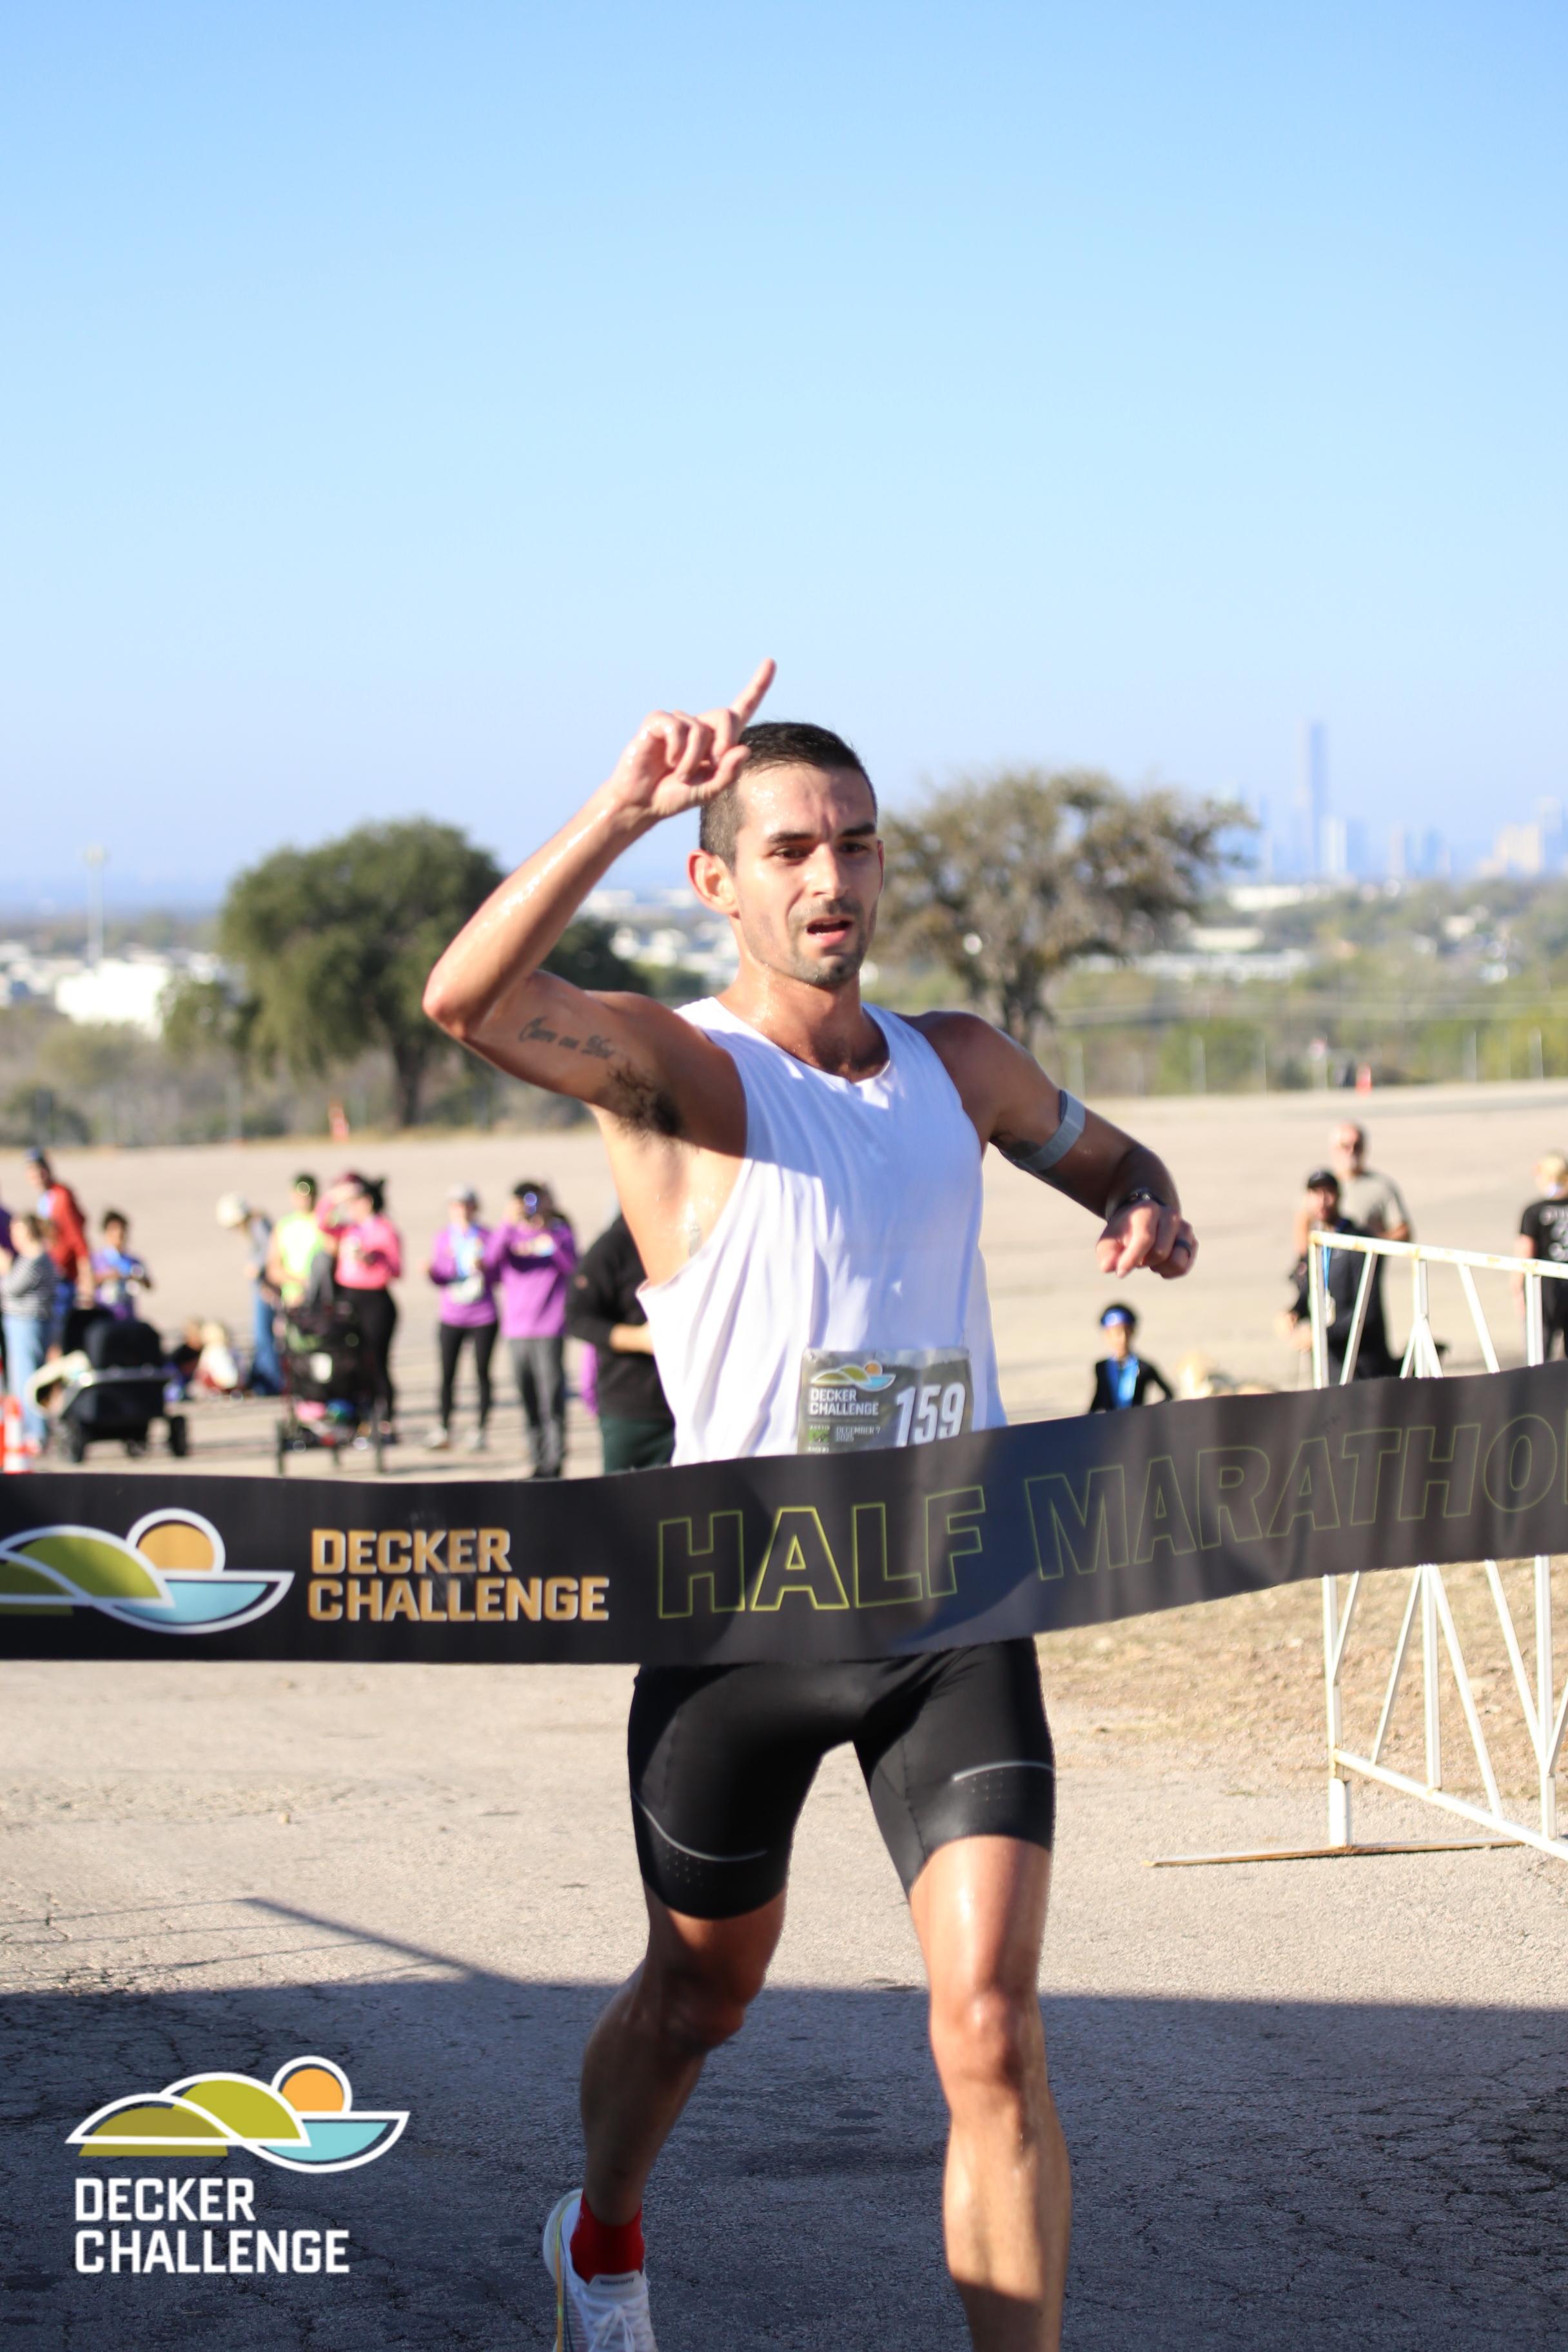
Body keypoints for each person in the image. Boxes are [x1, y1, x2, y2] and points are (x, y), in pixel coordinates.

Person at [424, 658, 1198, 2352]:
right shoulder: (680, 1076)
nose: (829, 877)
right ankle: (600, 2239)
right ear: (718, 879)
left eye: (853, 843)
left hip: (951, 1606)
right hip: (744, 1617)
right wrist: (618, 806)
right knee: (699, 1995)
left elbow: (1117, 1161)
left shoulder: (960, 1064)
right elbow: (468, 1002)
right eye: (786, 849)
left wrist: (1146, 1203)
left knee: (989, 2029)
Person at [565, 1213, 676, 1471]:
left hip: (692, 1406)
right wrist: (639, 1339)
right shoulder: (614, 1246)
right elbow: (577, 1317)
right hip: (633, 1410)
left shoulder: (692, 1233)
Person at [486, 1181, 576, 1477]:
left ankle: (555, 1461)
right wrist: (507, 1224)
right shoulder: (509, 1236)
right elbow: (489, 1264)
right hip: (517, 1330)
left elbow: (573, 1267)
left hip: (549, 1328)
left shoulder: (560, 1234)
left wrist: (548, 1235)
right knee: (528, 1399)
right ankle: (537, 1460)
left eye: (535, 1200)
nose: (530, 1208)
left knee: (552, 1396)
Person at [1284, 1167, 1398, 1381]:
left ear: (1339, 1196)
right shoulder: (1317, 1242)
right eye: (1316, 1194)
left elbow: (1367, 1313)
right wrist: (1293, 1313)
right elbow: (1309, 1293)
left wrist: (1320, 1335)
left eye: (1328, 1192)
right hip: (1330, 1363)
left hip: (1363, 1364)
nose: (1322, 1201)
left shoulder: (1358, 1241)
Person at [317, 1173, 402, 1436]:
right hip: (349, 1297)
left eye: (356, 1202)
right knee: (351, 1360)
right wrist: (333, 1198)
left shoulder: (384, 1229)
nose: (352, 1207)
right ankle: (358, 1413)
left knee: (376, 1359)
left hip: (375, 1299)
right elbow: (322, 1224)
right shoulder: (349, 1229)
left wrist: (371, 1260)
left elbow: (396, 1270)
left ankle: (385, 1415)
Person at [426, 1184, 498, 1451]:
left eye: (466, 1204)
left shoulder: (488, 1236)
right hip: (452, 1315)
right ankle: (444, 1426)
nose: (462, 1210)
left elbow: (499, 1274)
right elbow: (440, 1277)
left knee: (482, 1373)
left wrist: (485, 1267)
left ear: (475, 1207)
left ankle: (480, 1428)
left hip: (483, 1315)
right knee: (447, 1374)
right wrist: (432, 1271)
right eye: (456, 1205)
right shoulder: (444, 1238)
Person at [215, 1193, 282, 1395]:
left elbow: (271, 1252)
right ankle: (262, 1379)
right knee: (261, 1336)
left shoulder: (258, 1224)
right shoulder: (256, 1225)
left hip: (266, 1290)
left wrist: (257, 1268)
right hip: (262, 1288)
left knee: (264, 1336)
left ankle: (271, 1382)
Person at [25, 1150, 90, 1351]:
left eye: (41, 1170)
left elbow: (77, 1237)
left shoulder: (61, 1196)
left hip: (63, 1275)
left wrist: (86, 1275)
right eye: (32, 1171)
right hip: (51, 1273)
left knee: (59, 1334)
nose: (38, 1176)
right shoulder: (46, 1198)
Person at [1, 1213, 55, 1449]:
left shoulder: (35, 1258)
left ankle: (35, 1432)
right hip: (24, 1322)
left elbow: (11, 1288)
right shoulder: (30, 1257)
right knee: (23, 1377)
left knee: (27, 1378)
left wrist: (5, 1269)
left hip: (27, 1322)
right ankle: (28, 1430)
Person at [1513, 1151, 1568, 1357]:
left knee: (1540, 1352)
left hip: (1545, 1287)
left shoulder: (1535, 1211)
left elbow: (1524, 1252)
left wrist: (1517, 1290)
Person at [1087, 1302, 1173, 1410]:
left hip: (1137, 1420)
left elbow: (1168, 1395)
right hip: (1110, 1420)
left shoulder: (1144, 1367)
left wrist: (1148, 1412)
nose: (1123, 1339)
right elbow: (1098, 1399)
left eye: (1127, 1332)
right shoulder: (1101, 1367)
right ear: (1107, 1335)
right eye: (1117, 1333)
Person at [266, 1173, 330, 1315]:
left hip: (322, 1300)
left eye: (309, 1195)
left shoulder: (327, 1222)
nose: (305, 1200)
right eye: (300, 1196)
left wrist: (313, 1285)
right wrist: (301, 1282)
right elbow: (274, 1269)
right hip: (292, 1301)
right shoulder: (283, 1225)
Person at [92, 1210, 153, 1320]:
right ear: (105, 1233)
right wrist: (109, 1276)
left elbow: (149, 1285)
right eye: (114, 1229)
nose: (118, 1234)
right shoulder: (96, 1259)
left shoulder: (133, 1261)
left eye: (122, 1230)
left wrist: (138, 1278)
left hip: (128, 1315)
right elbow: (86, 1283)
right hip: (104, 1315)